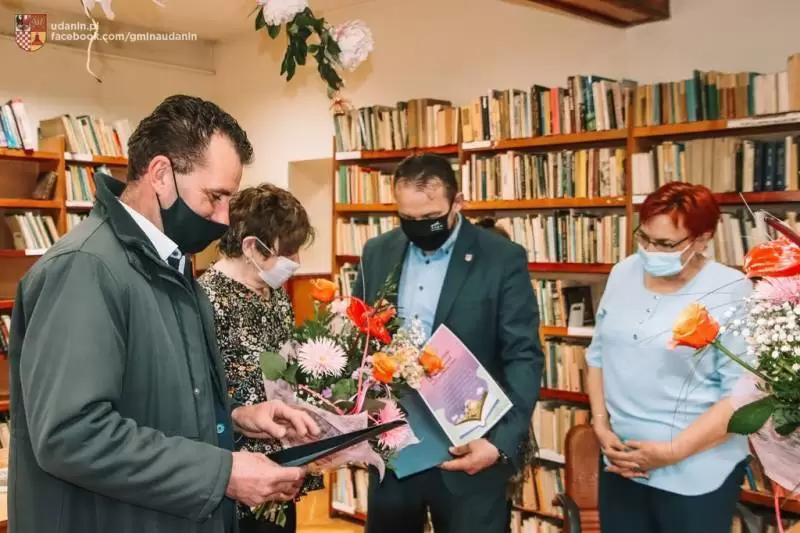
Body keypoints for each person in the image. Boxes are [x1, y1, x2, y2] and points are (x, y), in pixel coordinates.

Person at [7, 94, 320, 533]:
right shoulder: (84, 268)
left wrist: (236, 417)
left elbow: (158, 401)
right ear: (159, 174)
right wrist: (222, 473)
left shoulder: (171, 265)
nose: (224, 219)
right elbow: (71, 434)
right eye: (214, 197)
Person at [353, 153, 544, 533]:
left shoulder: (501, 258)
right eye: (408, 219)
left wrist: (499, 443)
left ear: (458, 203)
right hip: (396, 449)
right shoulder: (377, 252)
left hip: (471, 448)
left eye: (431, 218)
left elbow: (523, 356)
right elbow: (361, 337)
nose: (421, 228)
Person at [585, 181, 753, 533]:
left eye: (664, 244)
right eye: (644, 238)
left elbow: (740, 396)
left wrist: (673, 452)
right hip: (621, 462)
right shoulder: (623, 272)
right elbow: (597, 356)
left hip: (696, 471)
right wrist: (600, 425)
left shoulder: (732, 289)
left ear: (703, 239)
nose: (650, 251)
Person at [198, 183, 324, 533]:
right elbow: (201, 396)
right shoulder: (206, 300)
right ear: (251, 247)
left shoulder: (276, 294)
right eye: (289, 251)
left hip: (283, 465)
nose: (296, 262)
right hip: (237, 476)